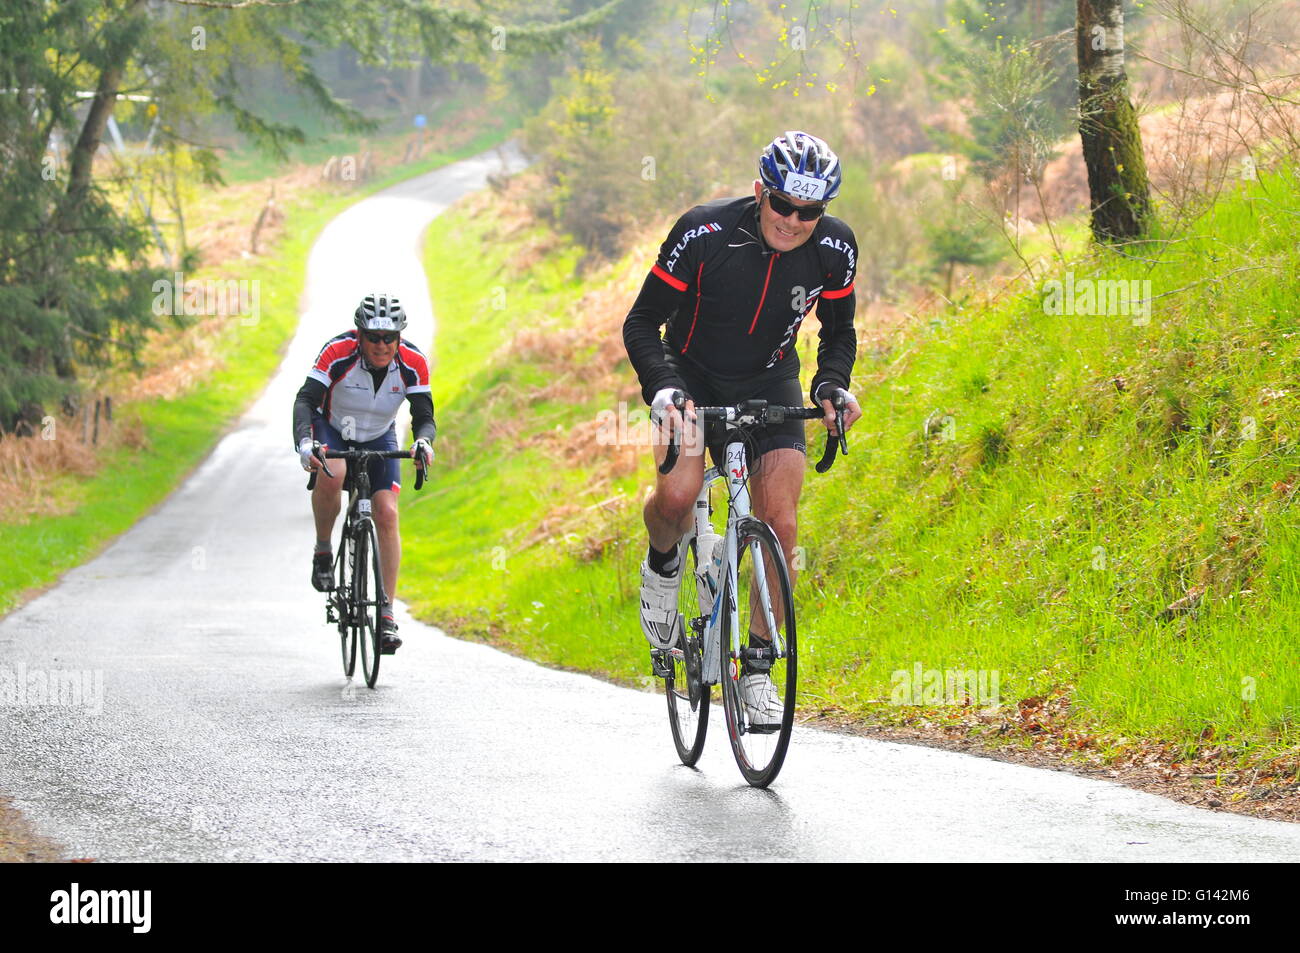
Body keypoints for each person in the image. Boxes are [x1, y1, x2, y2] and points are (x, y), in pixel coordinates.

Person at [622, 130, 863, 724]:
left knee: (779, 523)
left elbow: (839, 332)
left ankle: (756, 669)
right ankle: (662, 565)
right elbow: (642, 322)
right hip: (691, 375)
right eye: (782, 204)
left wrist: (831, 386)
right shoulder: (704, 232)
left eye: (810, 211)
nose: (793, 220)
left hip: (769, 380)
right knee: (676, 497)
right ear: (761, 192)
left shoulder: (835, 249)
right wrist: (664, 387)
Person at [292, 293, 435, 654]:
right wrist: (306, 445)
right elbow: (306, 400)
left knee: (386, 512)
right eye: (373, 337)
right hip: (334, 428)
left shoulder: (413, 362)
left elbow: (424, 416)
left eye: (390, 338)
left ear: (399, 338)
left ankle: (386, 612)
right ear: (359, 334)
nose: (381, 345)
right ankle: (324, 550)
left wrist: (423, 443)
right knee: (333, 473)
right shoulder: (337, 353)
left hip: (380, 435)